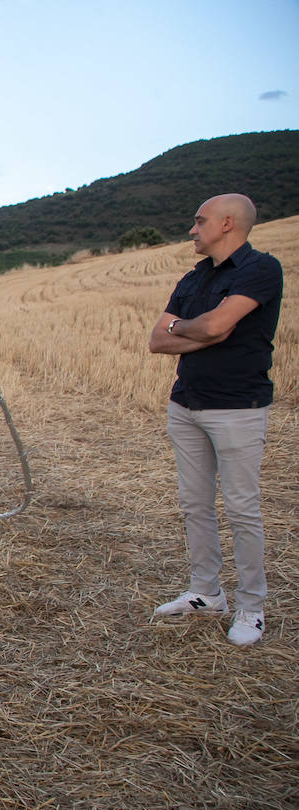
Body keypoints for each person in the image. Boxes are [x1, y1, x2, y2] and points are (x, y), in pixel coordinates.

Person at [148, 193, 283, 646]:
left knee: (242, 508)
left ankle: (251, 606)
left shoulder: (260, 270)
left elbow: (210, 326)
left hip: (237, 407)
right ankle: (206, 592)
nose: (192, 229)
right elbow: (158, 340)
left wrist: (192, 327)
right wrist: (205, 329)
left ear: (228, 223)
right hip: (186, 403)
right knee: (194, 504)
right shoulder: (193, 277)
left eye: (199, 221)